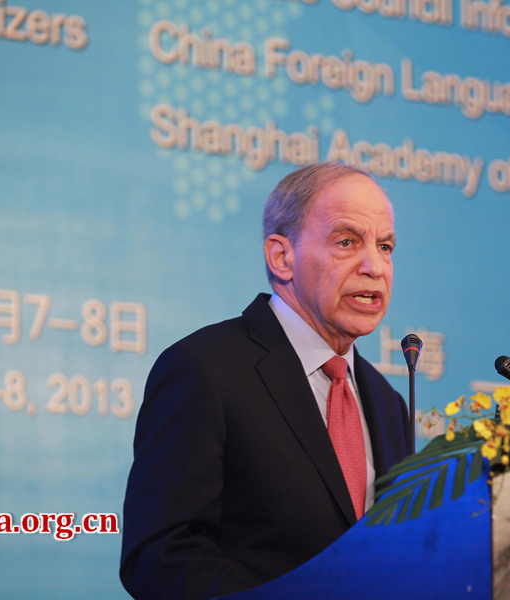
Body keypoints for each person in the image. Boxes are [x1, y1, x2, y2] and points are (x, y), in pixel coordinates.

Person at [120, 162, 410, 600]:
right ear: (282, 257)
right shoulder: (206, 369)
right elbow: (161, 555)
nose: (375, 266)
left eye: (385, 246)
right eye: (347, 241)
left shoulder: (389, 402)